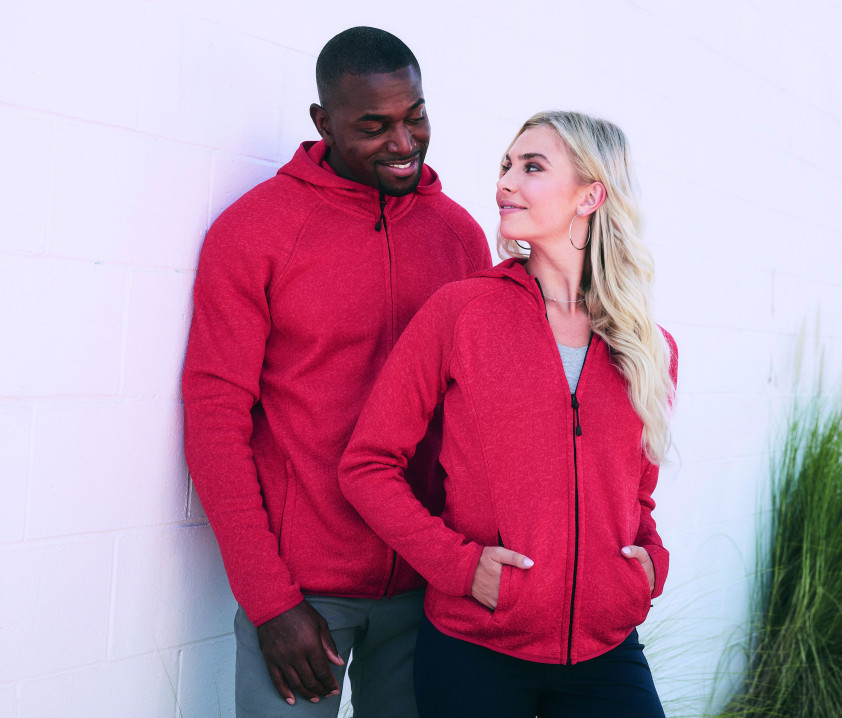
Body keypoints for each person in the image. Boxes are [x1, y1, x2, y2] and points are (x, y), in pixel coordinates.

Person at [182, 26, 491, 718]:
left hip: (430, 586)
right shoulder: (254, 231)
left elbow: (480, 415)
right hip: (302, 594)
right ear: (323, 122)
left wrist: (465, 564)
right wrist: (270, 600)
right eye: (374, 127)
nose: (404, 142)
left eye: (416, 117)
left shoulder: (461, 237)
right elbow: (214, 418)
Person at [339, 110, 678, 718]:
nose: (505, 183)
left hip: (606, 649)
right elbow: (367, 466)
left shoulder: (648, 347)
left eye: (532, 167)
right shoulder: (463, 314)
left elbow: (635, 496)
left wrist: (648, 566)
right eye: (505, 166)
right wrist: (462, 567)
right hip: (476, 649)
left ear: (590, 195)